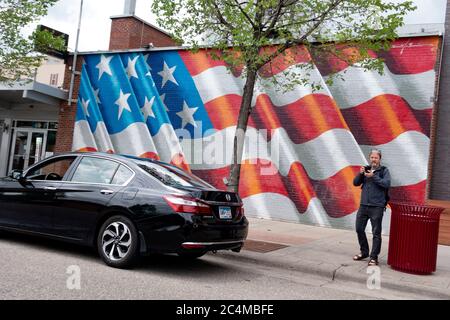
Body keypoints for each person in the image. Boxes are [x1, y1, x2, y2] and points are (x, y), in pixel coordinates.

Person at [352, 149, 391, 266]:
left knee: (376, 233)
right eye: (372, 157)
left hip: (377, 207)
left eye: (376, 158)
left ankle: (374, 257)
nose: (374, 160)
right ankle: (364, 252)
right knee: (359, 229)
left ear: (380, 159)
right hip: (364, 205)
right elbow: (355, 183)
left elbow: (386, 184)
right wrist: (360, 173)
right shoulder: (366, 169)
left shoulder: (384, 170)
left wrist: (373, 176)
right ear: (370, 158)